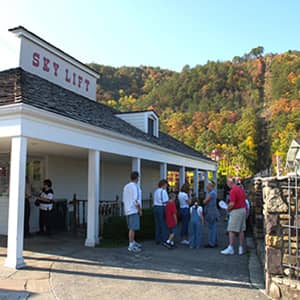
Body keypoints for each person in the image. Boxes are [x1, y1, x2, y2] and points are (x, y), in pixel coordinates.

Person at [221, 177, 247, 255]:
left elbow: (232, 203)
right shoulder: (241, 190)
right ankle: (241, 248)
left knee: (231, 229)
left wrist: (227, 208)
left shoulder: (233, 191)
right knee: (241, 230)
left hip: (236, 211)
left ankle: (231, 247)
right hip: (243, 210)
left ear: (230, 183)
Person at [122, 171, 142, 253]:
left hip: (127, 209)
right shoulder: (135, 187)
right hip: (133, 210)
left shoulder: (126, 186)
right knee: (132, 228)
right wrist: (140, 210)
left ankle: (133, 242)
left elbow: (124, 199)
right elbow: (135, 200)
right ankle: (131, 245)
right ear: (137, 178)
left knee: (131, 227)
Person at [203, 181, 219, 248]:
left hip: (211, 212)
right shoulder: (213, 193)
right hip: (212, 211)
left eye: (207, 186)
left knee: (211, 227)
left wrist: (204, 201)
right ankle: (214, 241)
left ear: (211, 186)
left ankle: (211, 242)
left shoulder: (211, 193)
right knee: (213, 227)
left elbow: (205, 201)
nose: (206, 187)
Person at [153, 179, 169, 244]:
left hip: (155, 207)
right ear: (164, 185)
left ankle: (157, 239)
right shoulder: (163, 191)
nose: (167, 186)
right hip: (161, 207)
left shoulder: (156, 191)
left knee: (157, 224)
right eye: (166, 185)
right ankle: (164, 239)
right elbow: (165, 201)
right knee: (163, 224)